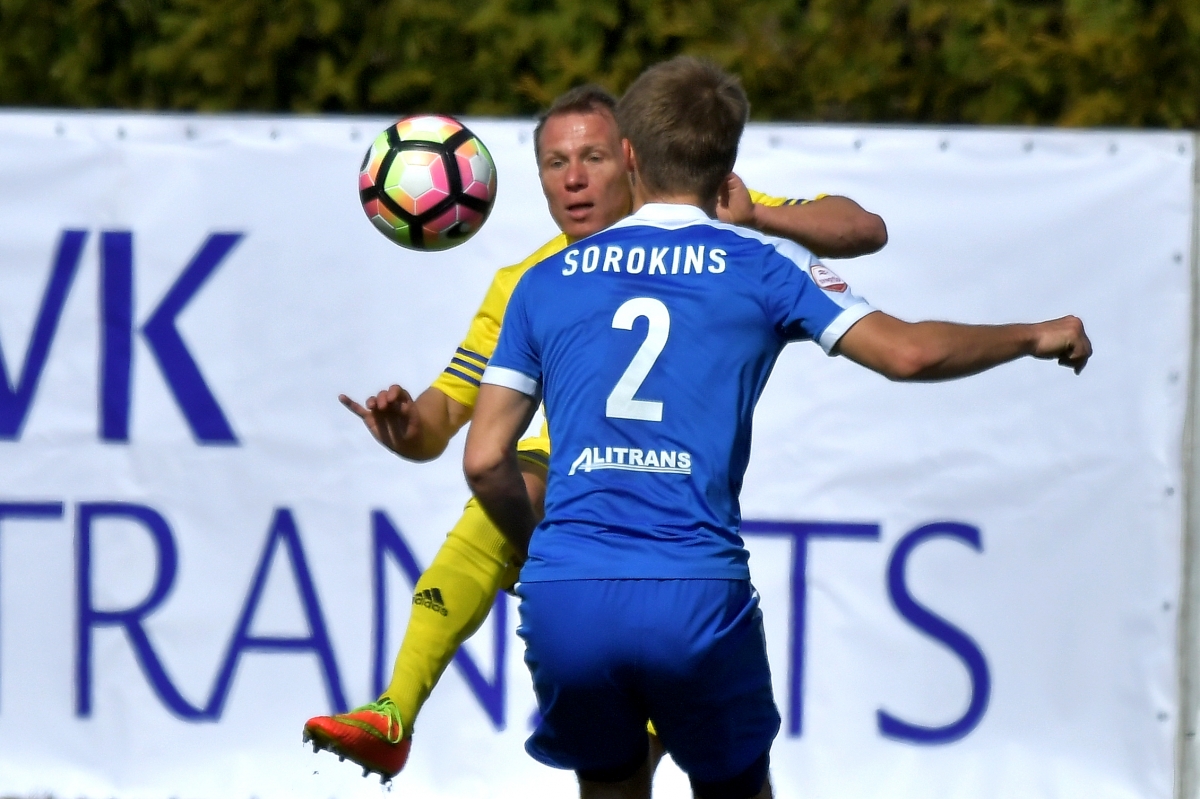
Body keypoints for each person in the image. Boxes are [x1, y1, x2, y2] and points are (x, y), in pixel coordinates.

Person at [463, 57, 1091, 799]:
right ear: (726, 164)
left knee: (609, 788)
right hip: (694, 592)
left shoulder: (544, 281)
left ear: (628, 153)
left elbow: (484, 460)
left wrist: (542, 551)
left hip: (569, 591)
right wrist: (1032, 334)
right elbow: (909, 353)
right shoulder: (764, 265)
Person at [302, 85, 887, 782]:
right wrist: (404, 425)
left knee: (653, 772)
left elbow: (864, 229)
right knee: (508, 477)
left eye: (593, 157)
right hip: (593, 534)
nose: (573, 179)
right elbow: (442, 427)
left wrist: (759, 213)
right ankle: (395, 709)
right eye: (555, 163)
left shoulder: (700, 216)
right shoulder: (528, 282)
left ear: (633, 159)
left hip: (669, 525)